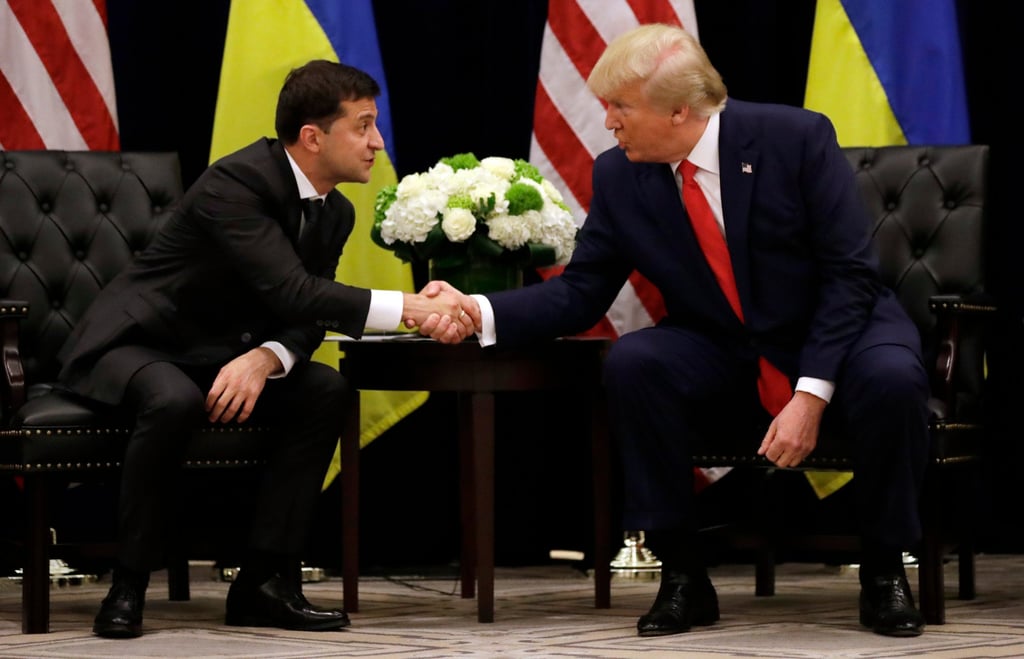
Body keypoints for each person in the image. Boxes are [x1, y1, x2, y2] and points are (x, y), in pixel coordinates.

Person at [427, 24, 929, 638]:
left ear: (680, 110)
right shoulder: (620, 174)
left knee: (892, 377)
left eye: (620, 107)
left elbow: (849, 276)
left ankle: (883, 571)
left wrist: (810, 393)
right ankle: (683, 575)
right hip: (723, 341)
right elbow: (581, 291)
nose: (608, 122)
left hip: (838, 329)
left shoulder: (794, 137)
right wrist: (479, 310)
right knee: (637, 361)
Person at [56, 59, 474, 639]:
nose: (377, 142)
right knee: (173, 398)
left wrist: (269, 357)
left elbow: (306, 312)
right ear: (313, 136)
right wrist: (411, 308)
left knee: (324, 387)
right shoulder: (236, 182)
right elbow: (293, 289)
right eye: (363, 125)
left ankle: (263, 581)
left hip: (227, 351)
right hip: (141, 342)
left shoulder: (336, 211)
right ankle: (128, 583)